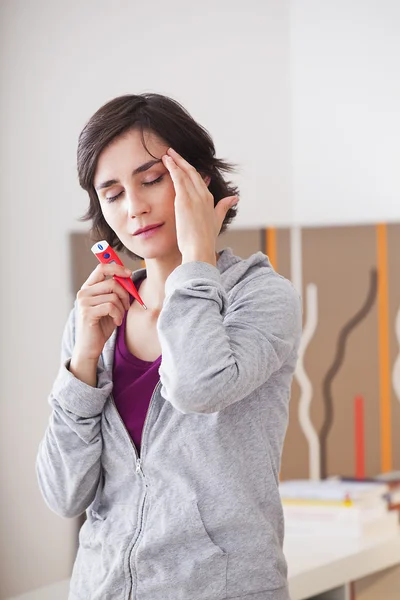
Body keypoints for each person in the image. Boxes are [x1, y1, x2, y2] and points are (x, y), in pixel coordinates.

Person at [36, 93, 302, 600]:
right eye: (111, 194)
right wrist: (83, 362)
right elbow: (63, 494)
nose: (134, 206)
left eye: (151, 179)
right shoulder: (95, 316)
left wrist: (197, 261)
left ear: (199, 180)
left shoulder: (261, 297)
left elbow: (198, 386)